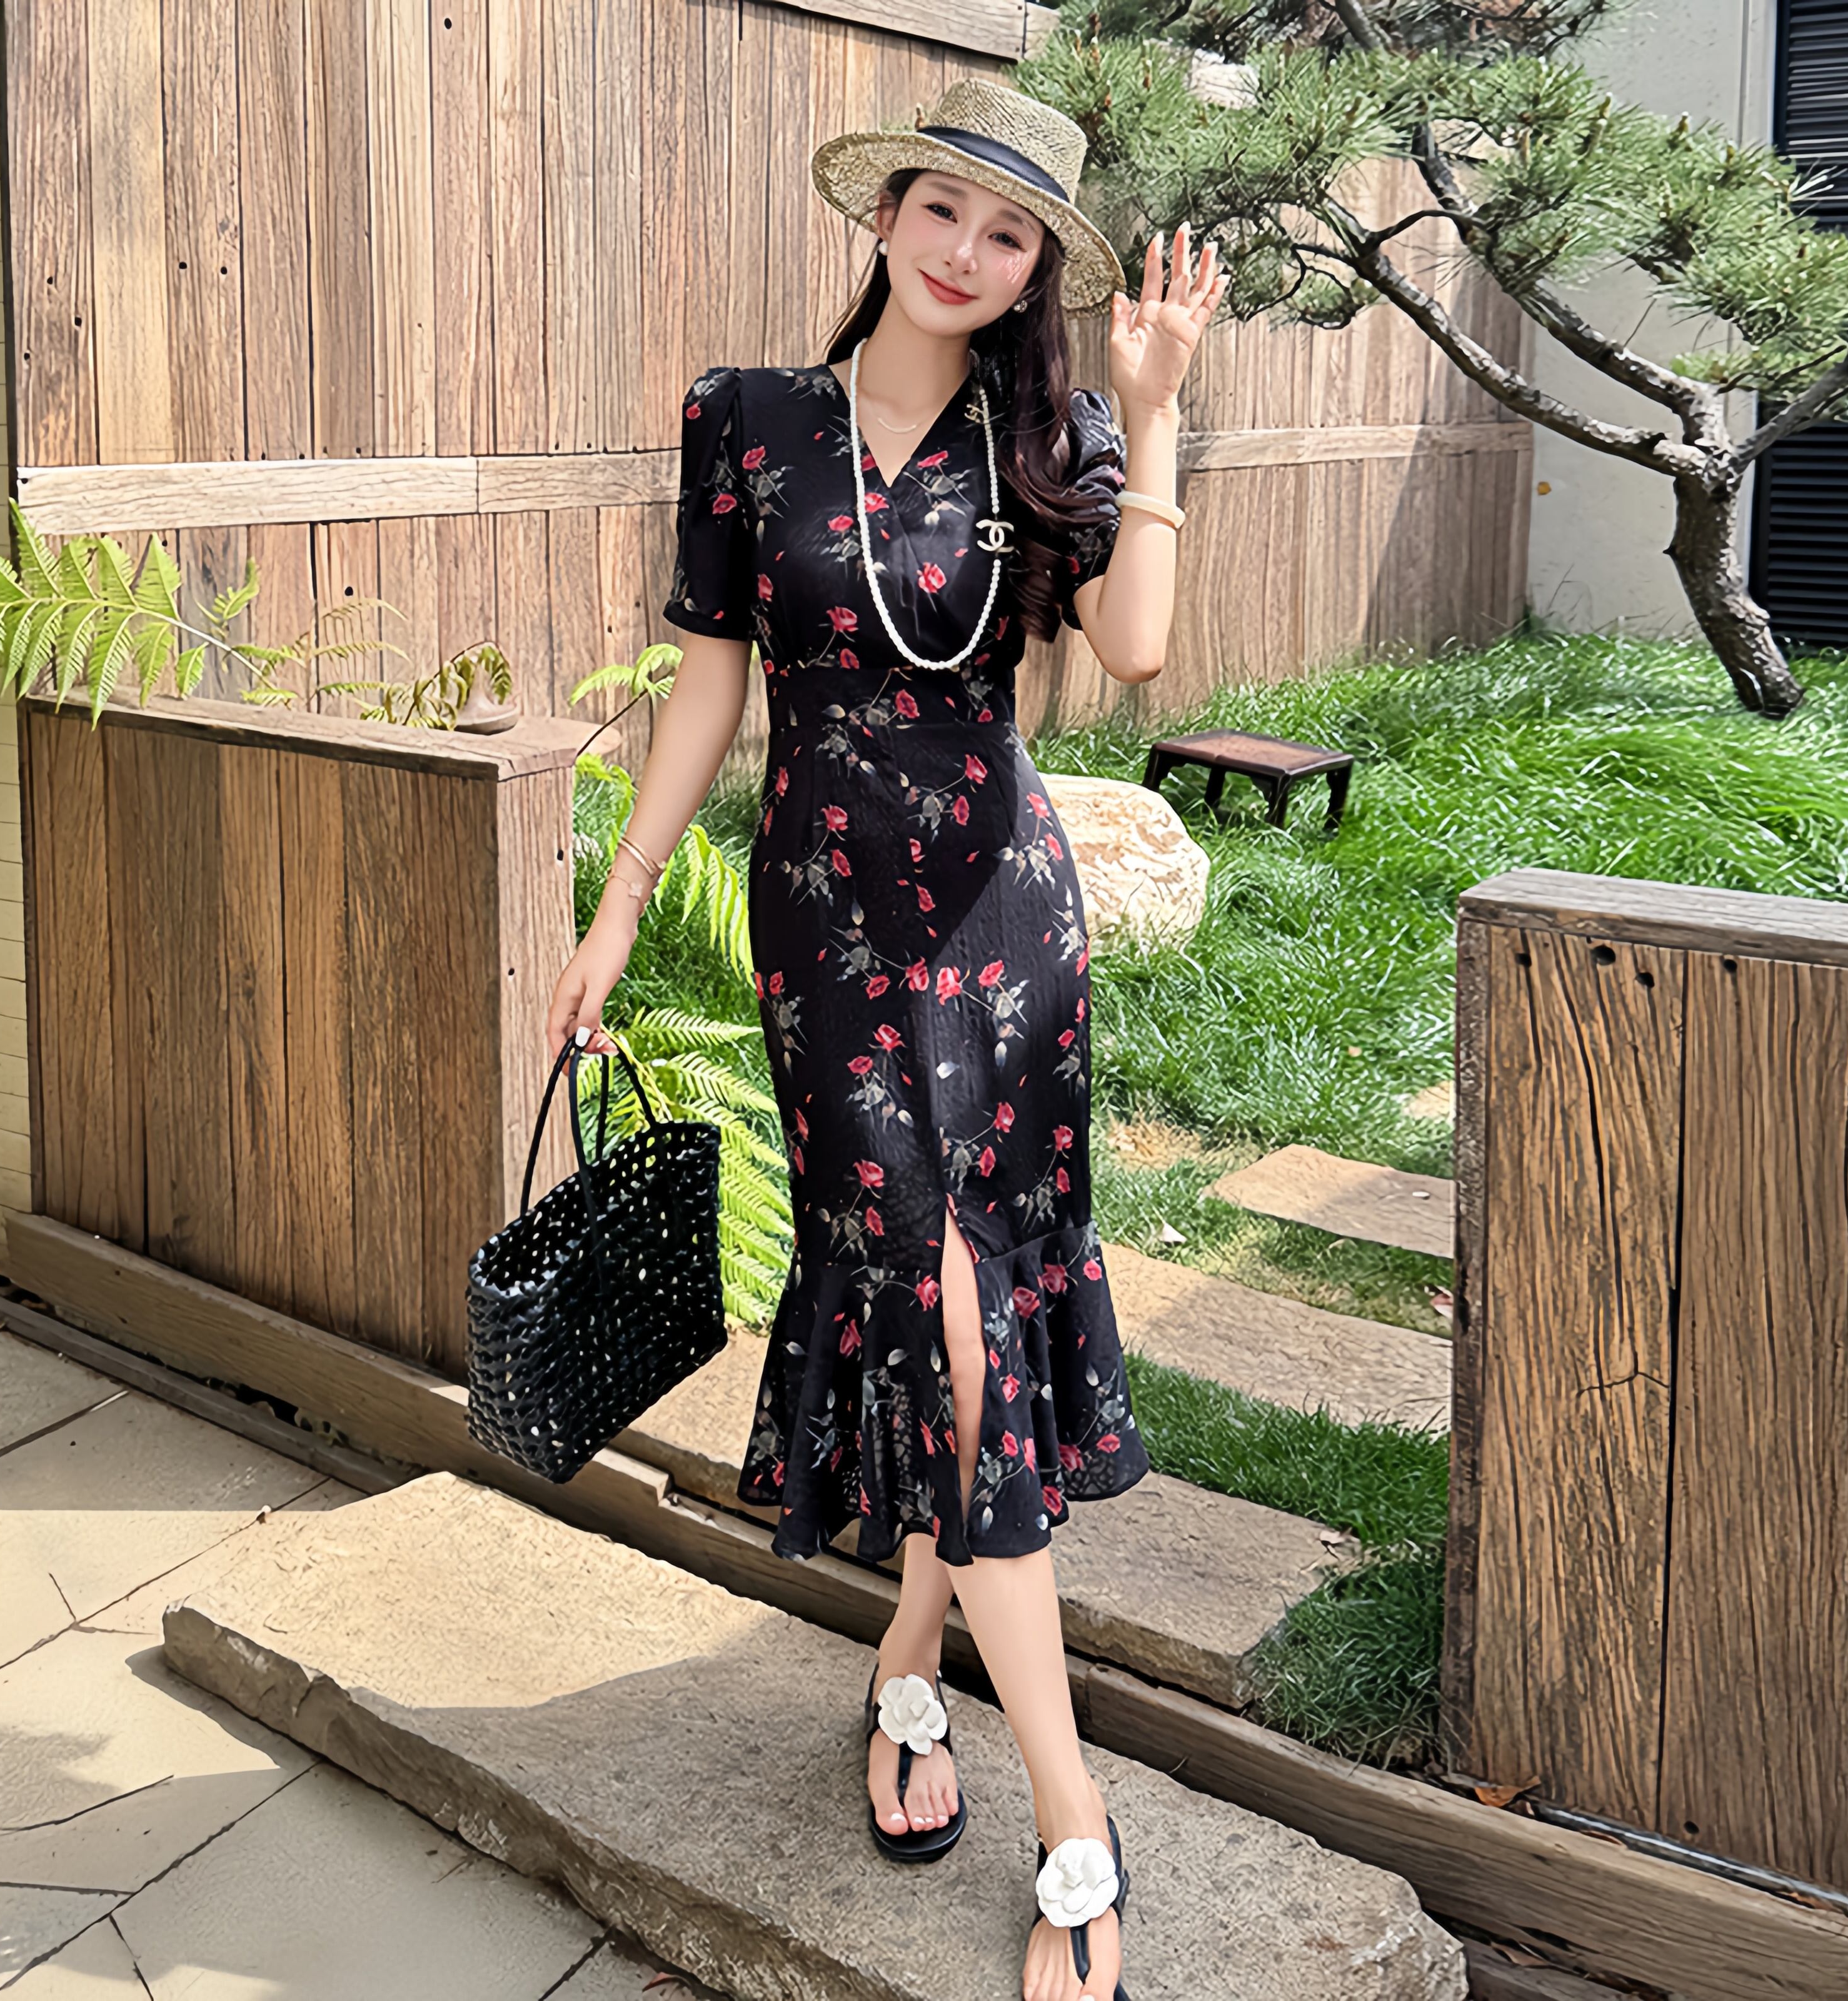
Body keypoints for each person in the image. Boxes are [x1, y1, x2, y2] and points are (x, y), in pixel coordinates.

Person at [547, 77, 1222, 2001]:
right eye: (944, 211)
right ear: (887, 215)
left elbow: (1139, 652)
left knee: (964, 1320)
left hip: (1007, 925)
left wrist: (1158, 409)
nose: (965, 252)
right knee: (935, 1297)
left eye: (1008, 237)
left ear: (1033, 273)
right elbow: (708, 693)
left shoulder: (1056, 435)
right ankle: (1074, 1814)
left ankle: (920, 1670)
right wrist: (618, 902)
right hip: (829, 926)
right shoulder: (748, 421)